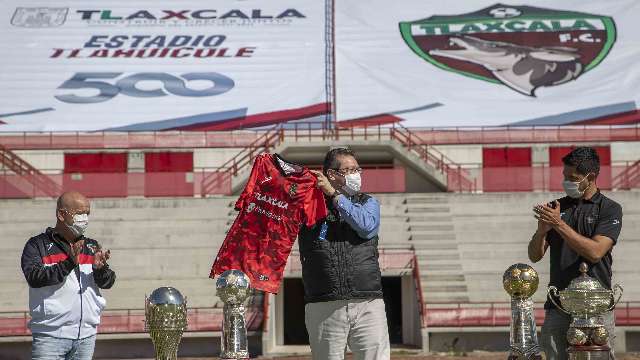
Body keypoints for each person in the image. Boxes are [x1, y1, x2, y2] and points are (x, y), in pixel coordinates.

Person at [529, 147, 622, 360]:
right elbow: (534, 255)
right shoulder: (556, 207)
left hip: (596, 307)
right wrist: (541, 232)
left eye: (573, 178)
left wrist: (558, 224)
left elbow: (596, 252)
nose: (567, 181)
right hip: (558, 307)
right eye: (565, 176)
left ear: (591, 177)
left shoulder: (609, 209)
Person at [302, 147, 390, 360]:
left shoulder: (368, 202)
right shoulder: (307, 205)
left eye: (357, 169)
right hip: (324, 304)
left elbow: (366, 226)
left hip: (368, 303)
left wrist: (334, 196)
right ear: (331, 174)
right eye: (349, 170)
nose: (356, 175)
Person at [21, 191, 116, 360]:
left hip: (86, 337)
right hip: (50, 338)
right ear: (61, 215)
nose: (84, 218)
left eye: (87, 213)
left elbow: (108, 282)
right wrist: (69, 262)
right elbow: (34, 277)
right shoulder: (37, 245)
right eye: (79, 213)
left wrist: (100, 270)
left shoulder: (91, 246)